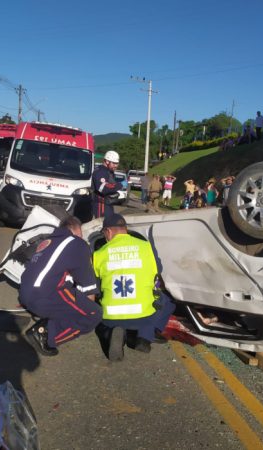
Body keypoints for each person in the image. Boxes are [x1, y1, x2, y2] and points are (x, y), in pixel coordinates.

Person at [93, 214, 175, 361]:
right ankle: (144, 336)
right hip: (143, 316)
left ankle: (111, 333)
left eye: (104, 233)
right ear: (125, 229)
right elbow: (159, 270)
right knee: (168, 299)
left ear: (108, 231)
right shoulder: (146, 247)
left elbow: (94, 282)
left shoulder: (99, 254)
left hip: (111, 316)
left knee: (101, 318)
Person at [19, 214, 102, 356]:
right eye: (81, 234)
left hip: (25, 295)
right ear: (76, 230)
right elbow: (88, 286)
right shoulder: (76, 243)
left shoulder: (47, 241)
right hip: (44, 296)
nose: (81, 237)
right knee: (93, 313)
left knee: (70, 300)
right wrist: (86, 309)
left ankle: (51, 321)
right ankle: (45, 335)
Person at [91, 150, 128, 218]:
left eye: (117, 163)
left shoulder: (108, 171)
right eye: (114, 163)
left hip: (107, 203)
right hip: (100, 204)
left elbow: (110, 184)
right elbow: (103, 188)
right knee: (102, 225)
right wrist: (120, 185)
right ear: (107, 161)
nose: (116, 165)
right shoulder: (101, 172)